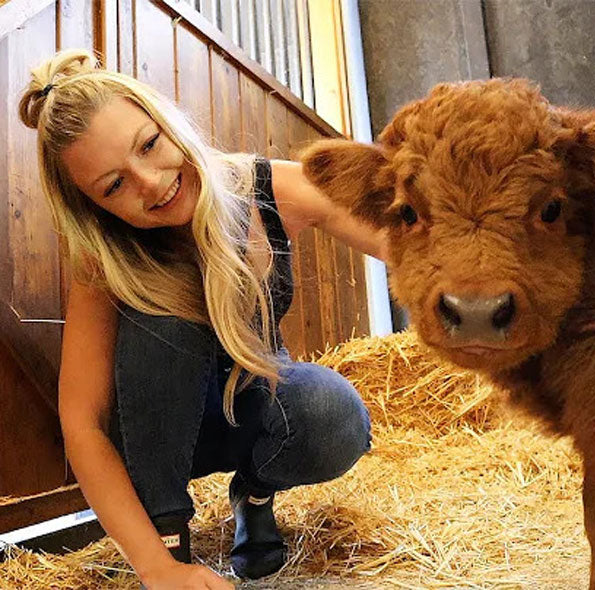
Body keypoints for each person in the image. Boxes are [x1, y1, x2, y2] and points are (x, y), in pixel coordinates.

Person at [18, 49, 384, 590]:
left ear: (169, 122)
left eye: (149, 144)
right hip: (157, 440)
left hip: (253, 403)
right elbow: (82, 422)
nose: (150, 183)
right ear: (94, 208)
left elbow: (409, 249)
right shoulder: (105, 262)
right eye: (113, 186)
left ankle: (254, 496)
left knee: (330, 410)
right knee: (167, 316)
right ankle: (171, 535)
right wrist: (156, 567)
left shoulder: (263, 190)